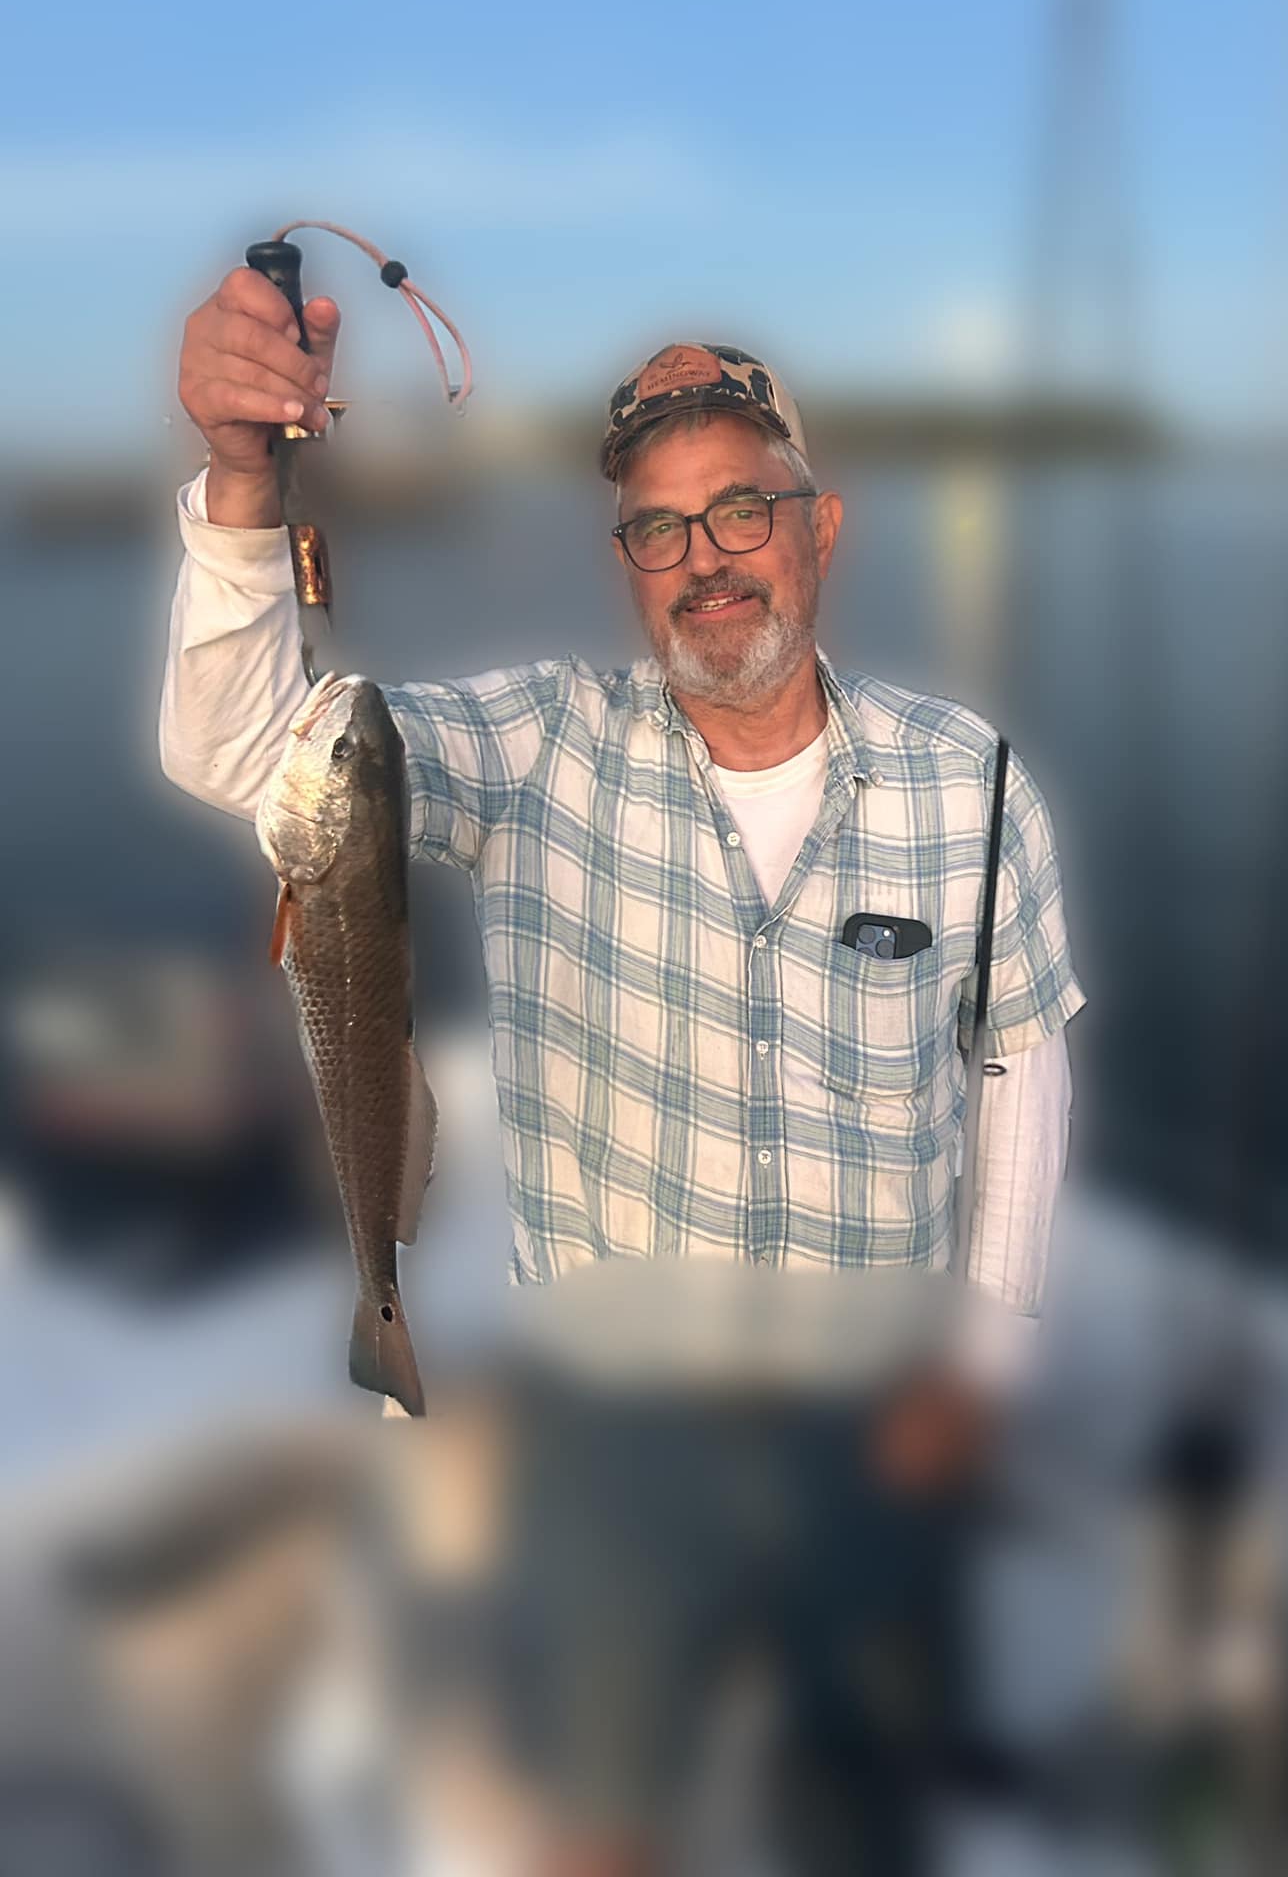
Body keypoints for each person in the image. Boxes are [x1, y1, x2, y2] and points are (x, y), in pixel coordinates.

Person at [160, 269, 1086, 1874]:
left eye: (741, 509)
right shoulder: (534, 748)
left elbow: (1017, 1057)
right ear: (624, 569)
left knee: (866, 1817)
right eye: (657, 528)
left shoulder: (974, 783)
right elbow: (253, 751)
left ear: (820, 527)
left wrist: (984, 1361)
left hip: (879, 1418)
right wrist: (246, 487)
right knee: (599, 1826)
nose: (703, 558)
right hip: (610, 1432)